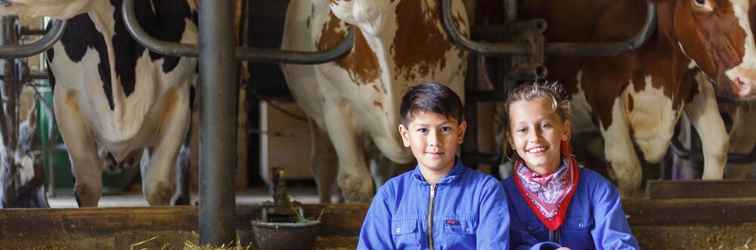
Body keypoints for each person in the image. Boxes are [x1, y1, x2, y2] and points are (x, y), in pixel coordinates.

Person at [357, 82, 510, 249]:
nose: (434, 142)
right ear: (405, 135)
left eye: (445, 129)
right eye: (423, 130)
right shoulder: (390, 195)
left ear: (460, 133)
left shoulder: (485, 191)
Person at [501, 82, 639, 250]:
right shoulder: (501, 196)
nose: (535, 137)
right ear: (511, 140)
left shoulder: (597, 190)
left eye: (545, 125)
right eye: (522, 130)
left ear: (565, 130)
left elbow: (622, 246)